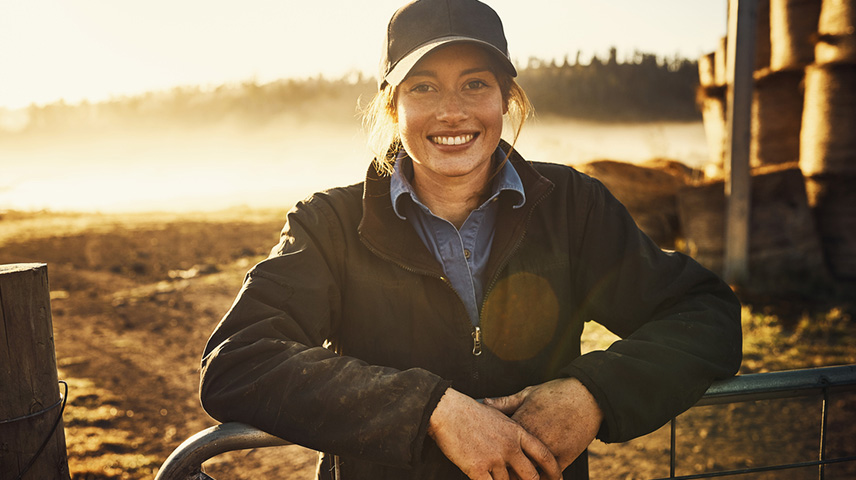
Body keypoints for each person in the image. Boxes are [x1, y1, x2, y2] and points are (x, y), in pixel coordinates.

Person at [199, 0, 742, 479]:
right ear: (394, 106)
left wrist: (593, 392)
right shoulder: (330, 225)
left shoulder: (573, 206)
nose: (451, 111)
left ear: (506, 98)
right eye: (424, 87)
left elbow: (704, 313)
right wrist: (430, 410)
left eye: (476, 83)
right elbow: (239, 361)